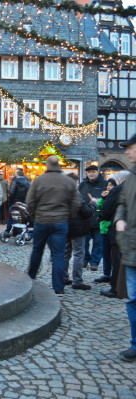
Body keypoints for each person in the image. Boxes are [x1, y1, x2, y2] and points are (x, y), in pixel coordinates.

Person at [26, 156, 81, 295]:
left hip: (42, 220)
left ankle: (30, 277)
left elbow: (30, 202)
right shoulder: (68, 181)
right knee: (58, 255)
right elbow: (76, 203)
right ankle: (58, 287)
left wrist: (35, 216)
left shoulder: (39, 180)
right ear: (59, 165)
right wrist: (67, 216)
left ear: (47, 165)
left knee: (37, 250)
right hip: (60, 222)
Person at [114, 133, 136, 362]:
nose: (127, 152)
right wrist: (120, 218)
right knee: (132, 299)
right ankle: (134, 344)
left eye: (130, 147)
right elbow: (122, 204)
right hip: (130, 248)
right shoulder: (130, 179)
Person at [100, 171, 130, 298]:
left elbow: (105, 212)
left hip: (120, 230)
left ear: (119, 180)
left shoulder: (118, 190)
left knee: (117, 261)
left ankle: (116, 288)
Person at [63, 173, 96, 291]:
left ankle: (64, 277)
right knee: (78, 254)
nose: (78, 184)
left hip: (65, 228)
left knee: (66, 254)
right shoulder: (75, 195)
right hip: (77, 229)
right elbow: (86, 212)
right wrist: (93, 204)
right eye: (77, 182)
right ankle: (77, 281)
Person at [79, 164, 107, 272]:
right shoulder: (82, 185)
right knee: (84, 242)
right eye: (89, 172)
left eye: (93, 172)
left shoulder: (104, 184)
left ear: (97, 172)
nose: (91, 174)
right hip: (86, 218)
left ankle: (94, 262)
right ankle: (85, 259)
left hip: (99, 218)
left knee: (98, 242)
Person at [95, 178, 118, 284]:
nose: (109, 187)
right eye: (108, 185)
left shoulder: (115, 196)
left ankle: (114, 274)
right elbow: (99, 209)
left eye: (111, 185)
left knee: (113, 253)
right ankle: (106, 273)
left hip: (111, 227)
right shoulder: (105, 197)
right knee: (105, 253)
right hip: (104, 228)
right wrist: (102, 198)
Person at [4, 168, 31, 234]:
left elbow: (12, 193)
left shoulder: (15, 182)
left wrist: (10, 202)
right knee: (22, 218)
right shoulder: (28, 183)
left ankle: (8, 231)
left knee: (11, 218)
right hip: (24, 203)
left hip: (15, 203)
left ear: (17, 174)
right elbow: (30, 194)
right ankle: (21, 232)